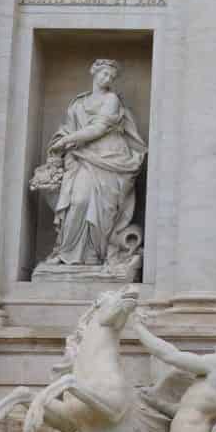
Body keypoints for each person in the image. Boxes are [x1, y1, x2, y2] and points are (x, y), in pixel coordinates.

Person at [37, 59, 147, 272]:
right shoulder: (78, 103)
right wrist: (62, 141)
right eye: (104, 74)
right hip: (82, 158)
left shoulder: (112, 99)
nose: (107, 79)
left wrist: (66, 142)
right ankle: (65, 252)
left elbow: (99, 127)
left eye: (111, 77)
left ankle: (93, 256)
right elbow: (67, 128)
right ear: (94, 73)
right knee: (78, 201)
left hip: (110, 157)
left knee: (102, 210)